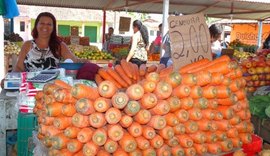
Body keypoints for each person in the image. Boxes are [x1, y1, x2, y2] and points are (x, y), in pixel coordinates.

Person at [14, 12, 86, 72]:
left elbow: (74, 61)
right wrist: (10, 78)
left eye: (49, 24)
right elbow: (19, 68)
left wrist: (87, 62)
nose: (45, 27)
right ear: (36, 25)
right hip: (30, 87)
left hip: (52, 87)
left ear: (53, 28)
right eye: (42, 23)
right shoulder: (27, 45)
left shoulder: (59, 46)